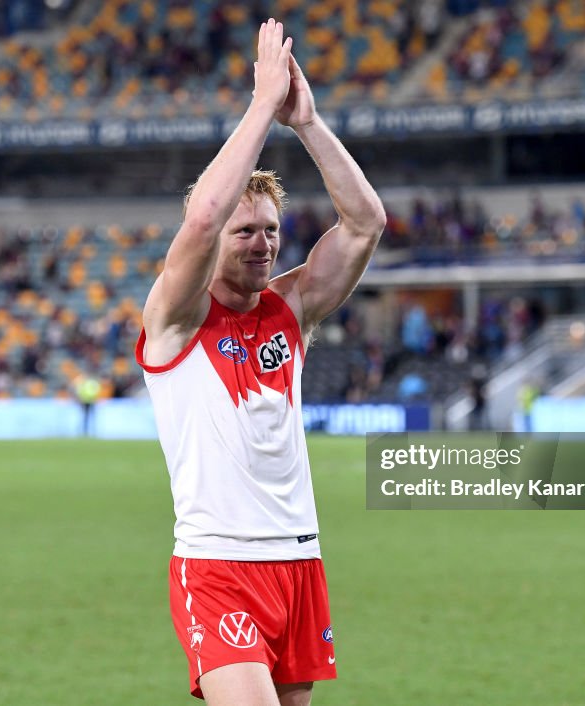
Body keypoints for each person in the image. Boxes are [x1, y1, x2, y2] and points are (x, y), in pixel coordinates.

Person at [134, 18, 385, 706]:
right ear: (217, 242)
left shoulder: (290, 308)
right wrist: (259, 104)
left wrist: (306, 122)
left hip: (299, 560)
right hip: (218, 566)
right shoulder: (176, 320)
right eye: (245, 232)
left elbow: (365, 224)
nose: (261, 244)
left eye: (271, 231)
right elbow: (202, 216)